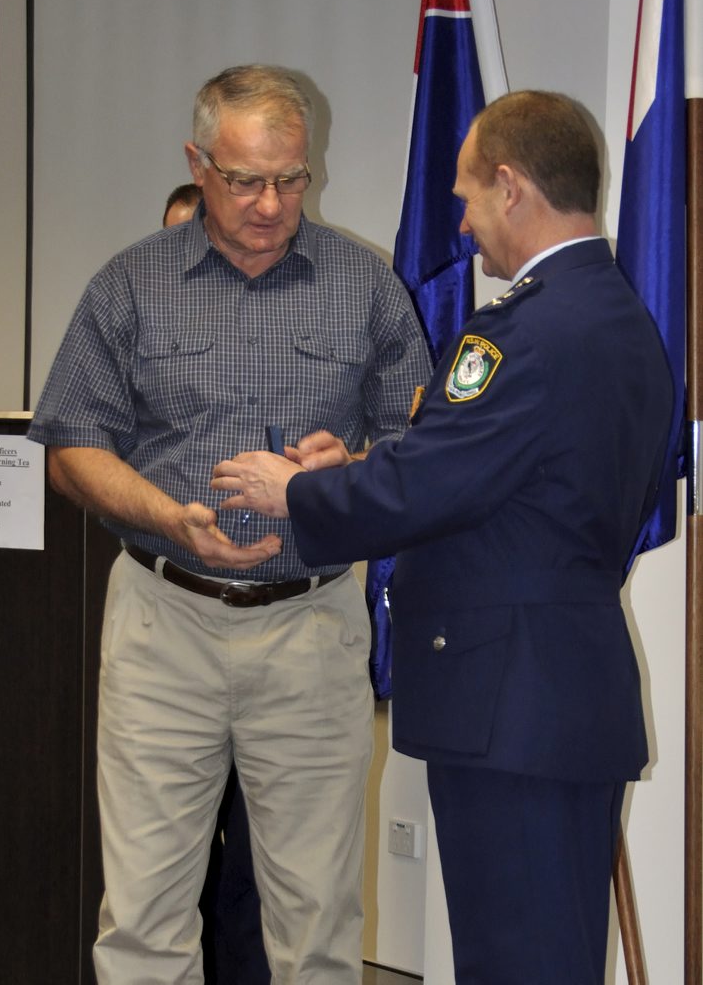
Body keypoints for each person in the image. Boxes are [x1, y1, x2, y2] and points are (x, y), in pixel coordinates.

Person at [211, 90, 675, 985]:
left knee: (515, 964)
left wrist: (299, 489)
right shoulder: (616, 320)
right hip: (553, 694)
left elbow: (429, 483)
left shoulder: (529, 330)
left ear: (510, 186)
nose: (460, 223)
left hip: (513, 707)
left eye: (464, 196)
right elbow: (496, 475)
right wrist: (354, 458)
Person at [28, 64, 432, 985]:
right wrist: (171, 515)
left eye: (291, 179)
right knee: (142, 917)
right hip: (163, 623)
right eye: (246, 179)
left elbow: (423, 451)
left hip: (311, 624)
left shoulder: (363, 285)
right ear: (197, 163)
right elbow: (71, 446)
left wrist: (349, 473)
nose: (270, 203)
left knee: (318, 919)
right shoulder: (128, 286)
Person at [161, 182, 269, 984]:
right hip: (171, 625)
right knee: (163, 878)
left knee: (259, 879)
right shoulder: (135, 309)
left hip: (280, 631)